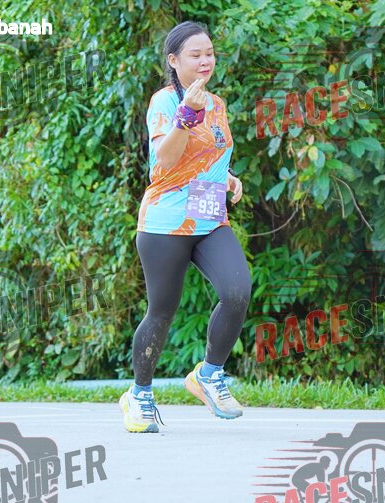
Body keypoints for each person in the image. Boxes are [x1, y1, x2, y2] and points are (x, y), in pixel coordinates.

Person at [118, 21, 252, 433]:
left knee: (237, 290)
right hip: (165, 221)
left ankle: (209, 374)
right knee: (162, 311)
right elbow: (166, 159)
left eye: (209, 53)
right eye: (196, 55)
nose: (205, 60)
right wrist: (185, 116)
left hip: (209, 217)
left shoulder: (217, 104)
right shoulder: (164, 101)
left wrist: (227, 179)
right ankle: (139, 395)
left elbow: (208, 156)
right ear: (174, 61)